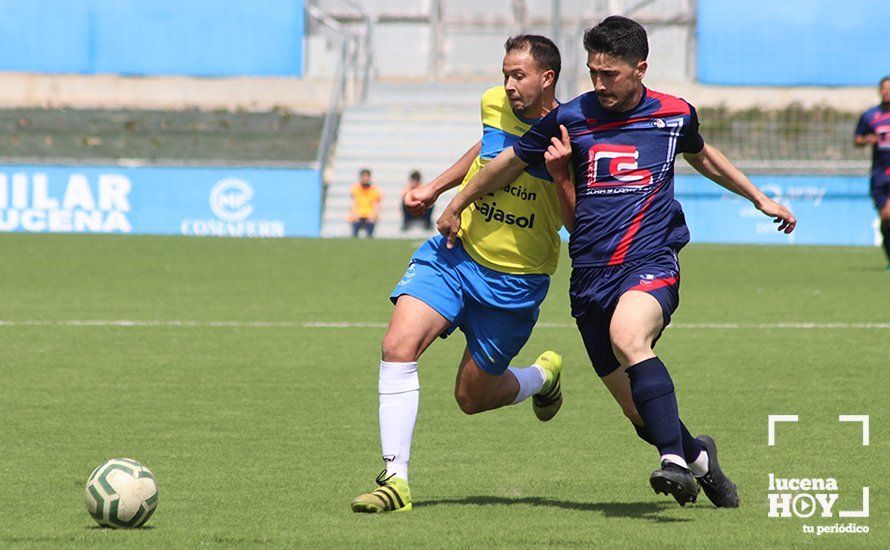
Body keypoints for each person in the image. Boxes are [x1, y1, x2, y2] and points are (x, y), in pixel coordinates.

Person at [437, 16, 797, 508]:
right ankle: (698, 457)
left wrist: (759, 198)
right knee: (641, 416)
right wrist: (456, 201)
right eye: (593, 73)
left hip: (650, 261)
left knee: (630, 337)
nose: (600, 84)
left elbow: (703, 154)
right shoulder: (571, 117)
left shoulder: (673, 114)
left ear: (640, 68)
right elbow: (508, 162)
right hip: (589, 278)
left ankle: (673, 461)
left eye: (611, 74)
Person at [351, 35, 571, 514]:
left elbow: (576, 223)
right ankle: (395, 479)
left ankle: (541, 377)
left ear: (547, 78)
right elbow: (487, 147)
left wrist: (561, 175)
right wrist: (435, 186)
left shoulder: (574, 133)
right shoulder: (494, 103)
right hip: (455, 254)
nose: (509, 85)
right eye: (505, 74)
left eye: (520, 76)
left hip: (516, 283)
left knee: (472, 398)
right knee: (397, 345)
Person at [854, 76, 890, 269]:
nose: (887, 91)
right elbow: (856, 139)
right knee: (885, 218)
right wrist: (868, 139)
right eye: (884, 88)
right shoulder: (870, 116)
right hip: (879, 174)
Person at [348, 169, 381, 238]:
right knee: (355, 223)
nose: (365, 179)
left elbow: (376, 204)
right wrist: (355, 214)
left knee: (371, 223)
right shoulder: (355, 189)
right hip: (358, 214)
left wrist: (373, 215)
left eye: (367, 177)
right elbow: (354, 203)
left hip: (369, 215)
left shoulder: (374, 190)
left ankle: (369, 236)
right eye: (363, 177)